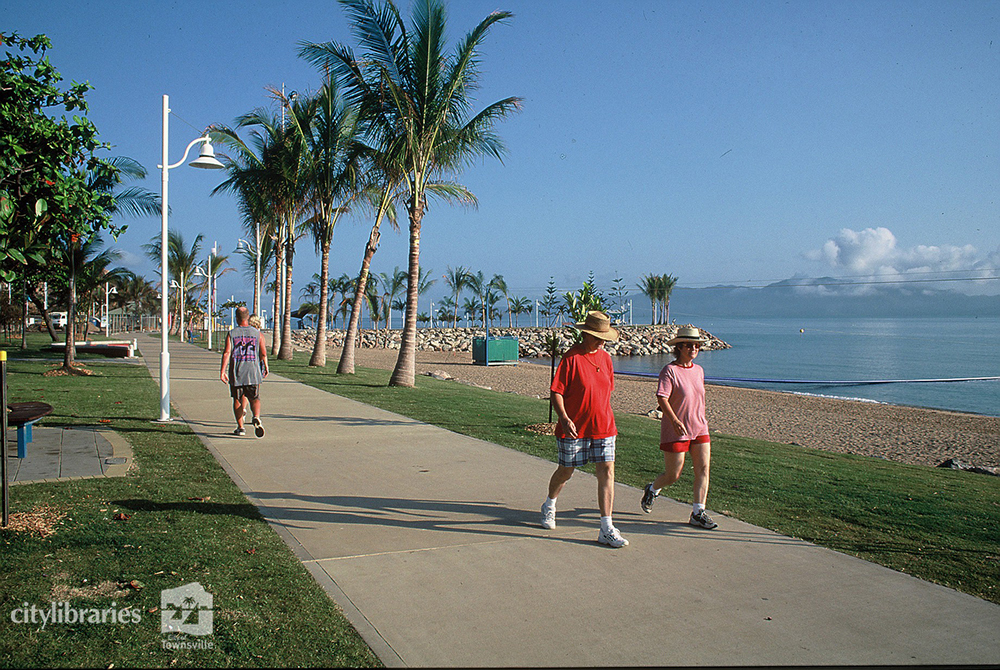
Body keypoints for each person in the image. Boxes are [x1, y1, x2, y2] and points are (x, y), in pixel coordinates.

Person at [540, 311, 628, 548]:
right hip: (574, 427)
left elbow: (607, 391)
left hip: (604, 426)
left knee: (607, 471)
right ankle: (549, 504)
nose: (602, 342)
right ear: (586, 334)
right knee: (566, 471)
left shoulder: (606, 359)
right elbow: (556, 391)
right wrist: (564, 417)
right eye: (598, 337)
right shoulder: (571, 358)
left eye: (604, 338)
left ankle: (606, 527)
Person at [639, 326, 717, 529]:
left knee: (703, 469)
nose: (693, 348)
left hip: (700, 428)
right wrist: (674, 420)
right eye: (689, 345)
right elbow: (662, 398)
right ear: (679, 347)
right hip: (676, 429)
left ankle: (698, 512)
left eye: (696, 345)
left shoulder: (699, 371)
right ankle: (653, 489)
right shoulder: (669, 371)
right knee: (673, 474)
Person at [220, 306, 269, 437]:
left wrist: (222, 371)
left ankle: (240, 427)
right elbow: (263, 353)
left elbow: (227, 352)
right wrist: (265, 366)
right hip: (253, 372)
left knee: (237, 399)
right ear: (248, 318)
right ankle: (256, 416)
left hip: (237, 373)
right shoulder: (257, 334)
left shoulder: (232, 333)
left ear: (237, 318)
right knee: (255, 397)